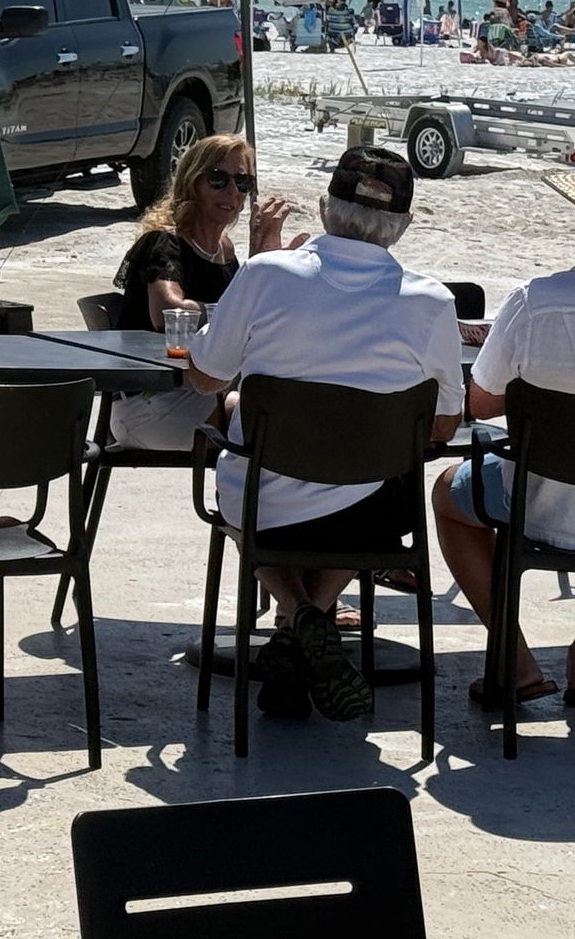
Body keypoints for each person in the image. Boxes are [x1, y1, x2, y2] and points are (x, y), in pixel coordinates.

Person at [187, 148, 463, 721]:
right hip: (373, 514)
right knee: (379, 482)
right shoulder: (433, 302)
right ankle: (306, 622)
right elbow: (442, 425)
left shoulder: (264, 274)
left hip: (267, 500)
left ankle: (298, 615)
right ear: (404, 227)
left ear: (323, 206)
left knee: (251, 482)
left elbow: (206, 376)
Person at [431, 135, 575, 709]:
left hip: (544, 506)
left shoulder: (538, 301)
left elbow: (478, 405)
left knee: (447, 496)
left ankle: (515, 656)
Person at [107, 136, 301, 452]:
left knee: (286, 412)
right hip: (151, 404)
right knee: (274, 427)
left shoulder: (224, 249)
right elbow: (167, 311)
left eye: (242, 181)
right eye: (218, 179)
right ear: (193, 182)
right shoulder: (165, 241)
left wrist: (266, 264)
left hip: (203, 392)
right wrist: (231, 311)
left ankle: (246, 500)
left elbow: (251, 320)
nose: (232, 192)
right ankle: (244, 500)